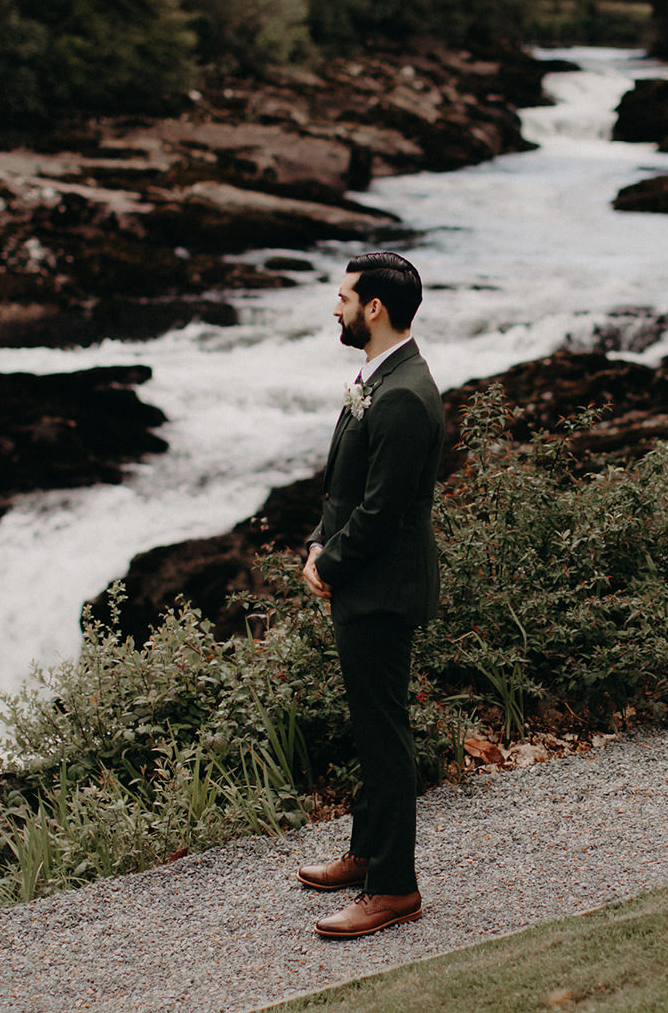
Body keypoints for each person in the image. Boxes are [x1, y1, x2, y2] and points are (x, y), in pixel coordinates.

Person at [298, 251, 445, 939]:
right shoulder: (379, 377)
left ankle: (394, 888)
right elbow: (347, 490)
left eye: (343, 296)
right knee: (371, 725)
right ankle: (365, 853)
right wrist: (317, 545)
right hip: (363, 580)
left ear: (374, 309)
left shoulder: (407, 395)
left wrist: (330, 566)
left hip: (382, 589)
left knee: (385, 737)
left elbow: (384, 512)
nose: (336, 307)